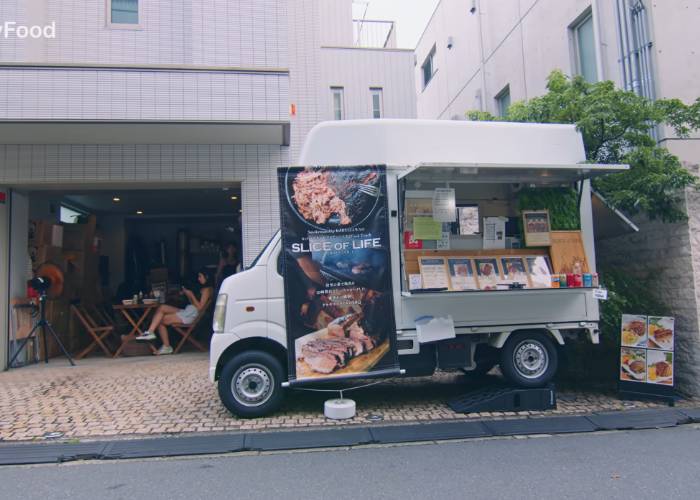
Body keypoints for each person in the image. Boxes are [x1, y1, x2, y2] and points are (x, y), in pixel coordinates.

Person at [135, 269, 214, 355]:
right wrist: (188, 295)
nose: (198, 279)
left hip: (192, 315)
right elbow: (195, 304)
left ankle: (166, 346)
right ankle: (150, 332)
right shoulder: (203, 289)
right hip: (189, 310)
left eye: (200, 276)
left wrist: (191, 295)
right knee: (162, 307)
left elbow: (200, 308)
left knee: (160, 320)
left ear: (207, 277)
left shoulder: (207, 290)